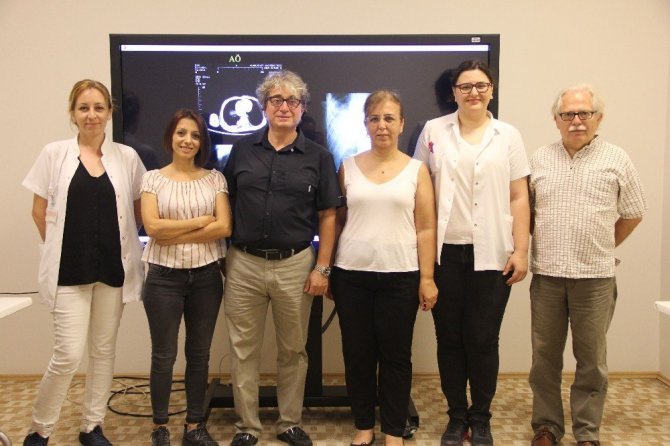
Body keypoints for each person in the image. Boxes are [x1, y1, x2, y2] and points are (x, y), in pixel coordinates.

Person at [21, 79, 146, 446]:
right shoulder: (54, 153)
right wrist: (60, 247)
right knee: (67, 356)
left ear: (110, 112)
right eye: (84, 108)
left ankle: (92, 427)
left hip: (111, 271)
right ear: (73, 113)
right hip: (69, 271)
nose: (92, 115)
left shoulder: (127, 157)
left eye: (99, 107)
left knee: (104, 352)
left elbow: (137, 212)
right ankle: (40, 430)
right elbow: (39, 211)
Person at [413, 60, 530, 446]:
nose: (473, 92)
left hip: (492, 254)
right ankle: (456, 416)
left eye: (481, 85)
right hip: (444, 254)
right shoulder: (433, 130)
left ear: (491, 90)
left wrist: (521, 249)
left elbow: (519, 196)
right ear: (454, 92)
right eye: (465, 86)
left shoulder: (508, 135)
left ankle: (480, 418)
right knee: (448, 339)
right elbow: (420, 190)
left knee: (482, 340)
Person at [223, 70, 341, 446]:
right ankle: (247, 426)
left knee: (293, 349)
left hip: (296, 264)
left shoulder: (319, 157)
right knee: (243, 350)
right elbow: (225, 203)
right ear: (264, 106)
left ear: (303, 108)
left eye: (293, 101)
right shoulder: (242, 151)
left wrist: (323, 267)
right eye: (276, 100)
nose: (284, 107)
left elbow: (328, 215)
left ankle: (289, 422)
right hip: (243, 264)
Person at [528, 85, 647, 446]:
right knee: (544, 358)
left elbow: (634, 211)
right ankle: (547, 426)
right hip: (547, 276)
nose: (576, 121)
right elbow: (527, 214)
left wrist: (603, 244)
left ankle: (586, 431)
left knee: (592, 360)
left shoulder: (617, 158)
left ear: (599, 118)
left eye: (585, 113)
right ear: (556, 119)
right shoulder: (540, 159)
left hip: (595, 278)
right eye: (568, 114)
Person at [330, 90, 438, 446]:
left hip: (401, 277)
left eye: (389, 118)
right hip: (351, 276)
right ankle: (363, 426)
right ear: (365, 124)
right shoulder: (347, 166)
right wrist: (327, 269)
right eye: (374, 119)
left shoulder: (417, 170)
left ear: (401, 124)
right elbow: (337, 222)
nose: (382, 125)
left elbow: (426, 228)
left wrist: (427, 278)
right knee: (357, 356)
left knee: (396, 357)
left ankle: (393, 429)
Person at [140, 109, 232, 446]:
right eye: (181, 133)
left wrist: (172, 233)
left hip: (206, 278)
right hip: (163, 279)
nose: (187, 140)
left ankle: (194, 425)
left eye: (194, 135)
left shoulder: (215, 179)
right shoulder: (152, 179)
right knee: (163, 355)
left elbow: (224, 227)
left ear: (202, 142)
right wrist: (200, 221)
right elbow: (152, 227)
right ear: (170, 137)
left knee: (199, 354)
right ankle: (160, 426)